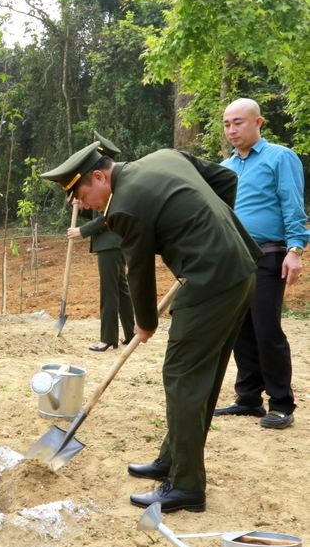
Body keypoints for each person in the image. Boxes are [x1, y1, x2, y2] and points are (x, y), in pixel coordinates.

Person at [42, 141, 262, 513]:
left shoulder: (124, 205)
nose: (86, 205)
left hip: (209, 280)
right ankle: (173, 459)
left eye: (83, 195)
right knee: (200, 376)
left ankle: (186, 486)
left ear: (99, 176)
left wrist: (144, 323)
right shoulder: (164, 156)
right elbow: (225, 179)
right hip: (239, 270)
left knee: (182, 376)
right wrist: (213, 230)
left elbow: (138, 270)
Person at [213, 98, 309, 429]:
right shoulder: (226, 168)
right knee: (240, 329)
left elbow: (292, 204)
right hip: (233, 258)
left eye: (238, 122)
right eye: (227, 124)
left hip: (268, 254)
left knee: (267, 328)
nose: (231, 129)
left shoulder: (280, 157)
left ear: (258, 122)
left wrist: (295, 249)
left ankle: (281, 403)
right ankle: (249, 398)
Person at [66, 132, 134, 351]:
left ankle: (108, 338)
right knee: (121, 289)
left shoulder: (111, 183)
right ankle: (130, 332)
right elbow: (98, 213)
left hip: (110, 243)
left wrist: (81, 231)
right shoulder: (106, 185)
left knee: (109, 290)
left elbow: (107, 218)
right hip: (115, 242)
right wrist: (82, 202)